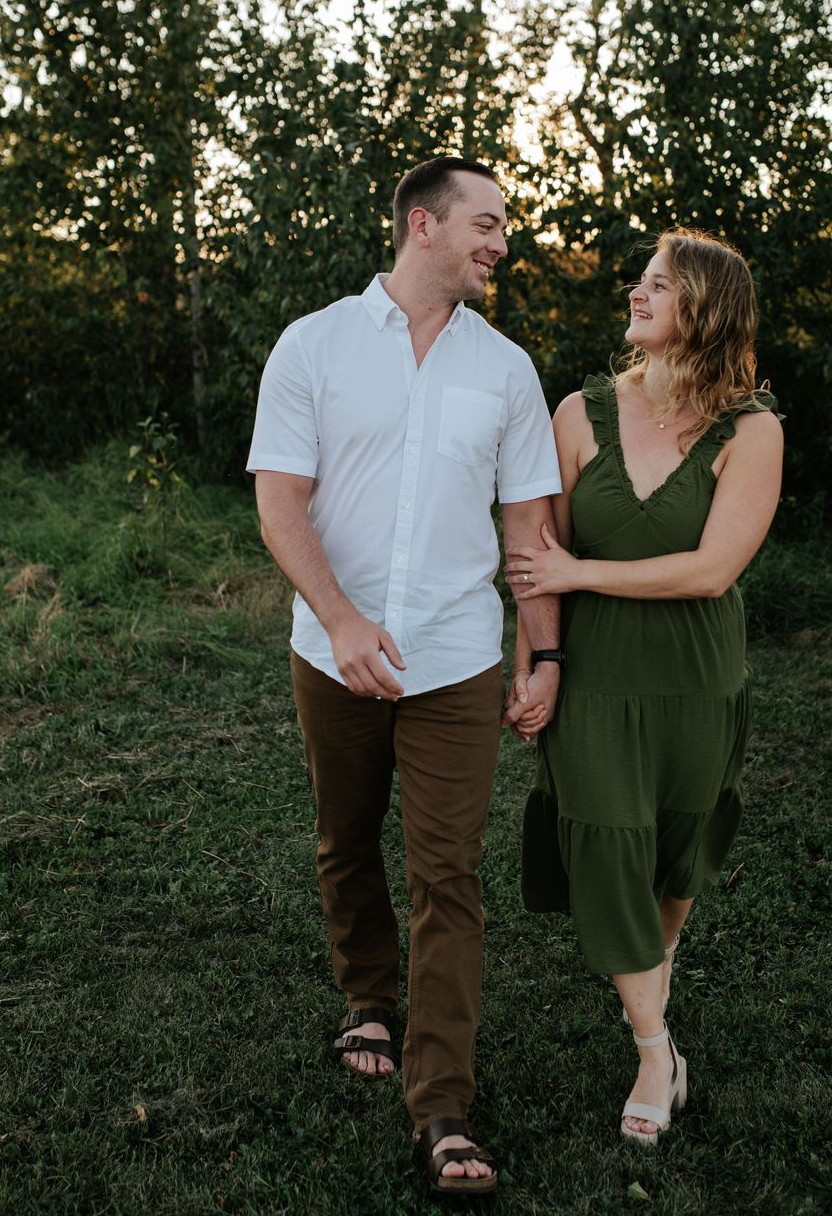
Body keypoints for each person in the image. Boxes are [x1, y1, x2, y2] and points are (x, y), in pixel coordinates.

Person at [247, 156, 562, 1195]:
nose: (500, 242)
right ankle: (366, 995)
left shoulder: (506, 369)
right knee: (345, 837)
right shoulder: (315, 344)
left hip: (458, 656)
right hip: (329, 652)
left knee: (448, 873)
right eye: (486, 222)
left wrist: (540, 649)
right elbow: (281, 502)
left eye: (504, 226)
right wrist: (338, 619)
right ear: (421, 224)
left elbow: (527, 530)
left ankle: (441, 1105)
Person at [504, 228, 784, 1146]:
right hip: (596, 678)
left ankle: (651, 1001)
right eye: (642, 279)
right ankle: (656, 1049)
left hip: (698, 675)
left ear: (703, 308)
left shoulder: (753, 430)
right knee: (607, 848)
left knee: (675, 853)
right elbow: (533, 559)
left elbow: (712, 570)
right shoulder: (578, 413)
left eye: (658, 284)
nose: (636, 292)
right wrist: (534, 662)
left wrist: (580, 576)